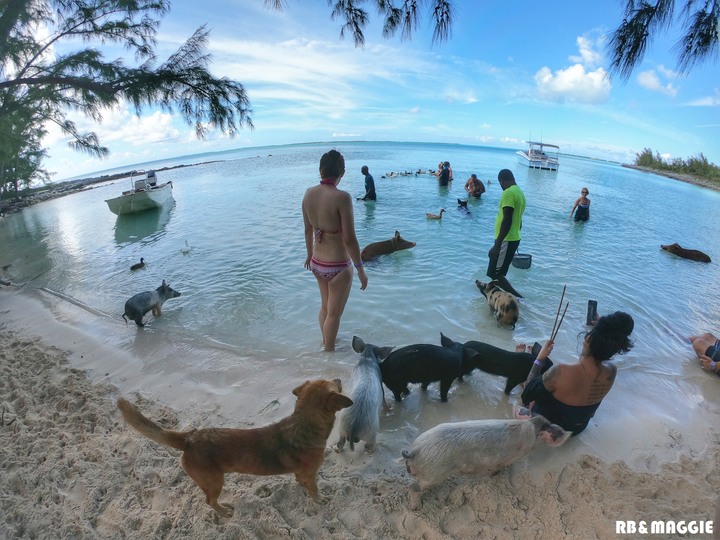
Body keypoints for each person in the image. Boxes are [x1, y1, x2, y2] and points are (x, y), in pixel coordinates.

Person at [522, 311, 635, 436]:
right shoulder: (612, 371)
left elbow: (526, 395)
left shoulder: (561, 371)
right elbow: (624, 323)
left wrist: (540, 357)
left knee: (534, 380)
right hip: (576, 429)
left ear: (588, 338)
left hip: (548, 429)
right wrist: (603, 326)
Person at [302, 150, 368, 351]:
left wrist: (309, 255)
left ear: (321, 170)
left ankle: (325, 343)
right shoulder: (342, 198)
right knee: (334, 314)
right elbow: (349, 239)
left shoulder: (308, 194)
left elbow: (307, 230)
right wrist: (360, 269)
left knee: (325, 307)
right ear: (343, 172)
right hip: (338, 266)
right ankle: (328, 354)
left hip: (317, 262)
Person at [486, 169, 525, 298]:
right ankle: (505, 300)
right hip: (512, 238)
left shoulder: (508, 193)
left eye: (500, 183)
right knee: (499, 273)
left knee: (494, 273)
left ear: (502, 181)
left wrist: (497, 245)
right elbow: (519, 220)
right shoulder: (520, 193)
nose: (501, 187)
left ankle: (517, 298)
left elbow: (507, 218)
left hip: (506, 239)